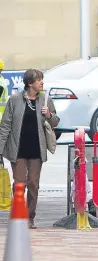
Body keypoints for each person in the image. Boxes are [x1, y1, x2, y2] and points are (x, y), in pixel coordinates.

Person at [0, 69, 59, 229]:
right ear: (30, 83)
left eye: (42, 79)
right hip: (18, 149)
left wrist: (48, 115)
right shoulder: (15, 100)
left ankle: (29, 217)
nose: (42, 82)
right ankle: (18, 215)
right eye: (39, 80)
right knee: (19, 183)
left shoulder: (46, 99)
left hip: (36, 149)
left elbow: (55, 123)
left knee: (33, 184)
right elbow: (5, 125)